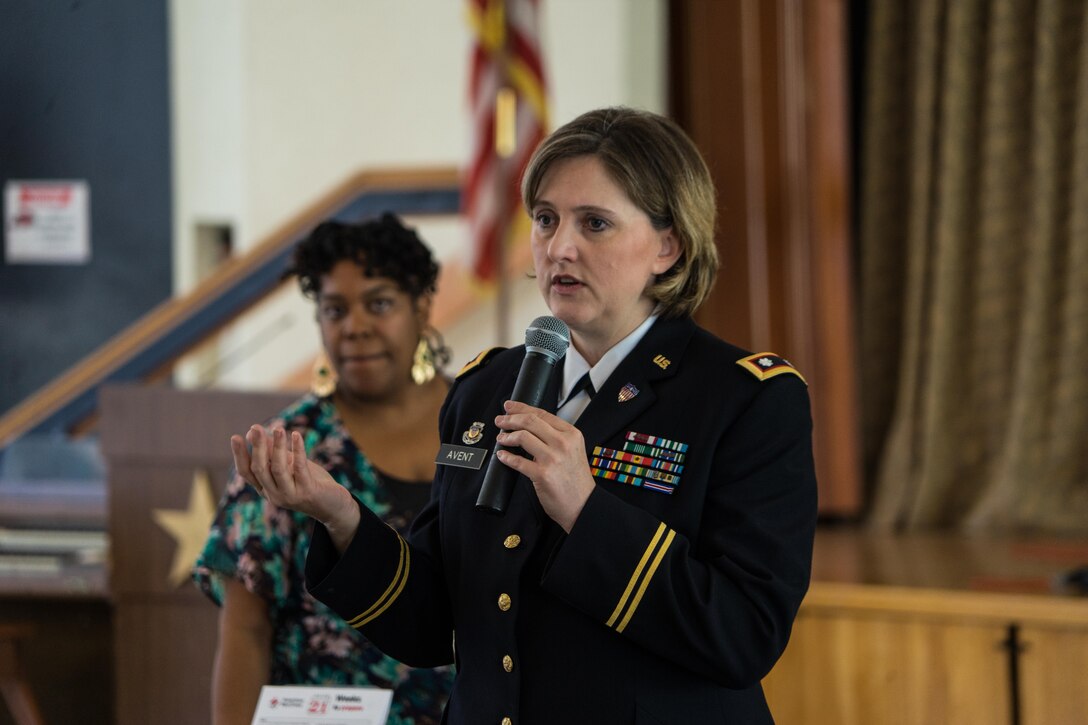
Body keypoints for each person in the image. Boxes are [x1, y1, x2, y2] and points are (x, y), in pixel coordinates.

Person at [232, 107, 819, 724]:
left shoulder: (745, 400)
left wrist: (586, 512)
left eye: (595, 223)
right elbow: (433, 625)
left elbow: (744, 634)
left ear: (668, 246)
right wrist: (342, 517)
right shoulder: (486, 389)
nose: (559, 248)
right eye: (545, 219)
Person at [192, 213, 455, 725]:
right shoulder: (291, 447)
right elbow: (246, 629)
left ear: (422, 306)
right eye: (334, 310)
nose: (354, 327)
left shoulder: (482, 421)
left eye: (379, 304)